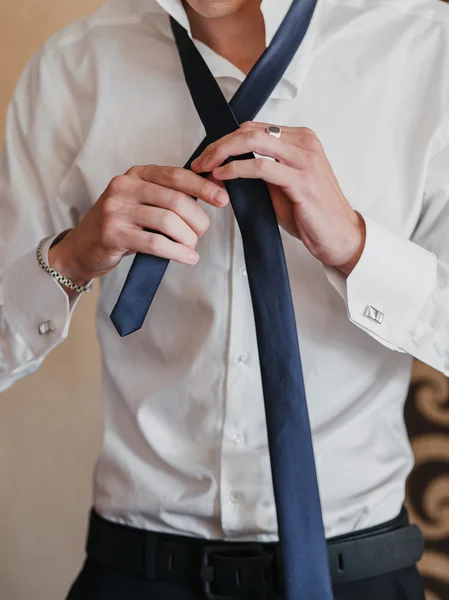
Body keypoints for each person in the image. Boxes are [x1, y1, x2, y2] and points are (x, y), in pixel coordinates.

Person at [1, 0, 449, 597]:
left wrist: (357, 247)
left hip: (357, 570)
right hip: (137, 571)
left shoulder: (427, 52)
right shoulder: (75, 67)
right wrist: (70, 257)